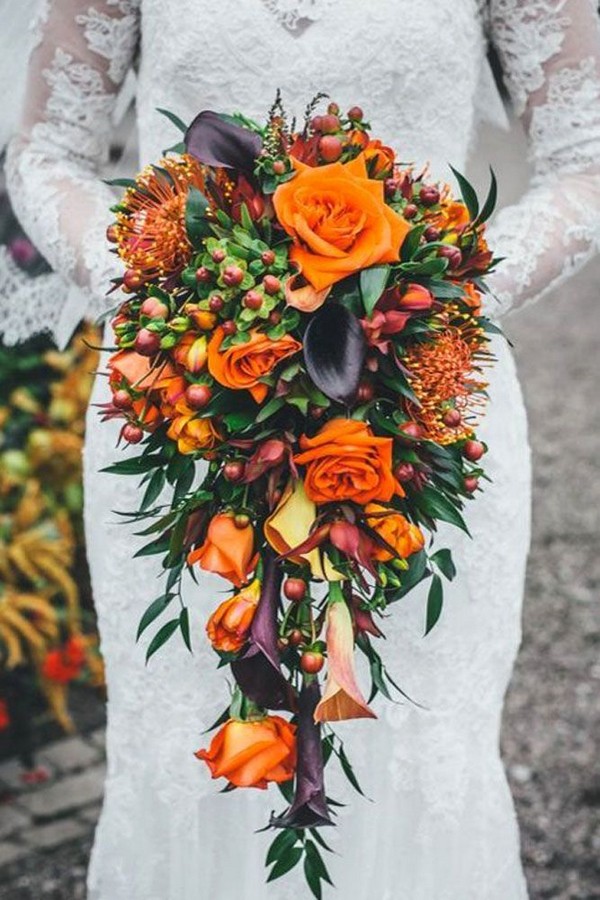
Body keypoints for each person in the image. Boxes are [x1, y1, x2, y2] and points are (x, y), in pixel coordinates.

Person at [4, 1, 600, 897]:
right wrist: (162, 286)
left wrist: (438, 294)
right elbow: (49, 153)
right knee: (188, 736)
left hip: (424, 404)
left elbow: (582, 162)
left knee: (412, 737)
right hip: (188, 401)